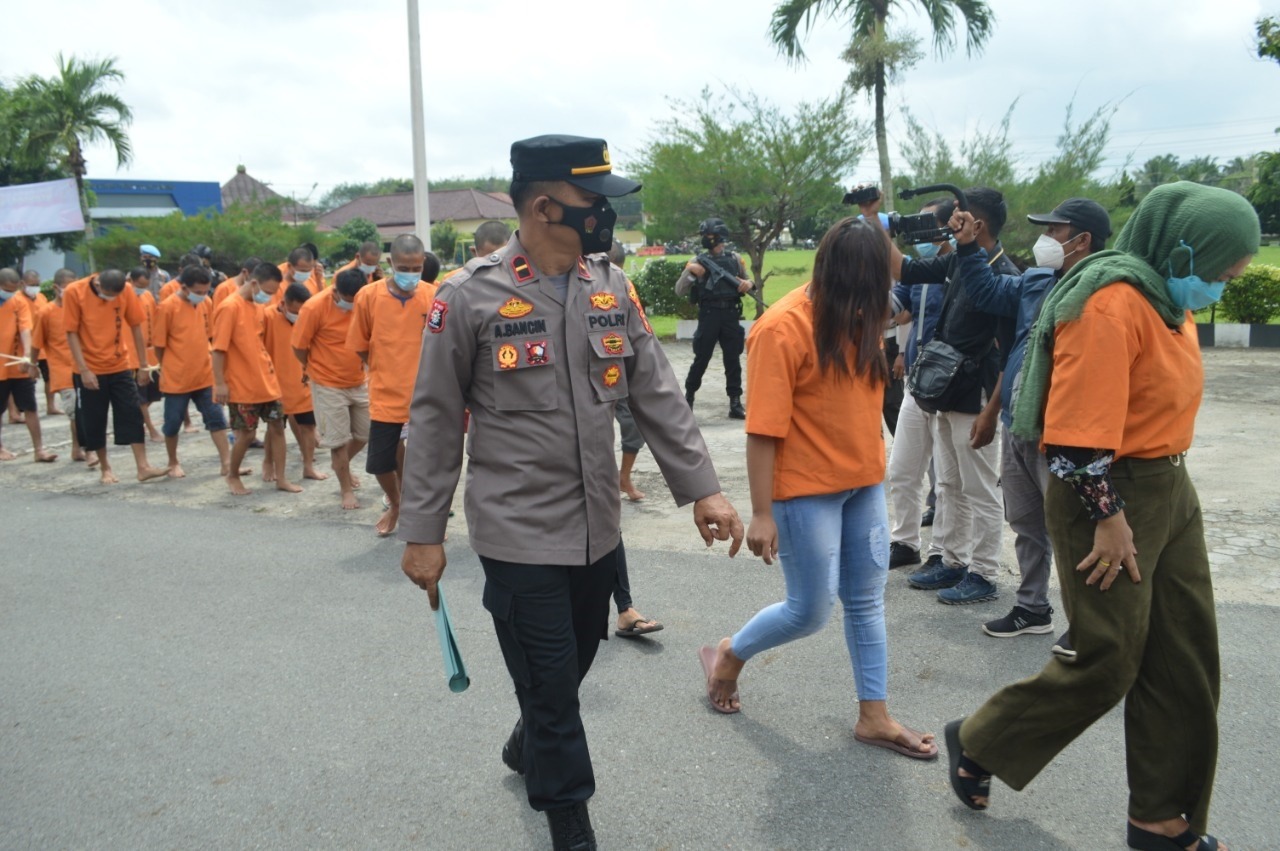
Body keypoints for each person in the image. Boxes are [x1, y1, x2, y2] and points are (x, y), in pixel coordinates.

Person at [398, 134, 744, 851]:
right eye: (597, 203)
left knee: (573, 661)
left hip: (598, 527)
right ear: (547, 205)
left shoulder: (609, 285)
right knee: (557, 690)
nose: (607, 216)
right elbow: (433, 417)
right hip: (517, 531)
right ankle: (570, 821)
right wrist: (422, 530)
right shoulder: (468, 297)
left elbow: (653, 391)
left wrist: (701, 488)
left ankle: (530, 738)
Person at [946, 181, 1258, 851]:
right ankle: (980, 738)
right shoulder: (1109, 303)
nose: (1224, 284)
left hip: (1169, 485)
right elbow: (1078, 435)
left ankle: (1162, 818)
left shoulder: (1166, 298)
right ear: (1183, 249)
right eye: (1221, 270)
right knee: (1110, 655)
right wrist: (1108, 516)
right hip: (1104, 492)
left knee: (1186, 653)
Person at [699, 217, 936, 762]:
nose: (868, 306)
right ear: (833, 279)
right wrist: (762, 513)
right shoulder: (782, 329)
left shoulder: (868, 312)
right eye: (859, 293)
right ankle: (732, 653)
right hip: (804, 491)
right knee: (809, 611)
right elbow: (762, 431)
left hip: (863, 485)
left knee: (866, 600)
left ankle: (874, 716)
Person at [948, 198, 1112, 651]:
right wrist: (966, 248)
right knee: (1026, 523)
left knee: (1070, 528)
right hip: (1019, 422)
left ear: (1083, 240)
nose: (1045, 239)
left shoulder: (1102, 292)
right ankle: (1033, 607)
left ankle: (1090, 623)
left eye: (1054, 231)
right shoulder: (1036, 280)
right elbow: (984, 293)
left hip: (1062, 433)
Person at [891, 188, 1019, 605]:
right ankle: (953, 560)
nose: (945, 227)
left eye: (956, 219)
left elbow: (1009, 355)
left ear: (976, 224)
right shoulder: (962, 261)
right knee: (948, 483)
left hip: (976, 398)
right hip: (945, 393)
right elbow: (906, 271)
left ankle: (983, 572)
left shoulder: (1006, 277)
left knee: (980, 487)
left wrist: (991, 411)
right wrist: (875, 224)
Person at [347, 234, 435, 536]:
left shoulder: (433, 296)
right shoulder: (368, 296)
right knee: (380, 462)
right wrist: (384, 366)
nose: (410, 274)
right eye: (403, 267)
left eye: (416, 267)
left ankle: (423, 519)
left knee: (426, 465)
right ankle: (397, 504)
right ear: (390, 263)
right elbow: (360, 345)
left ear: (423, 264)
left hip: (426, 396)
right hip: (385, 393)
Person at [886, 199, 954, 570]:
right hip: (917, 379)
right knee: (902, 469)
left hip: (949, 384)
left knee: (946, 478)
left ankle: (941, 551)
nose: (919, 230)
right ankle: (905, 542)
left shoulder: (958, 265)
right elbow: (900, 305)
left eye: (926, 223)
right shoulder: (920, 269)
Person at [63, 269, 168, 484]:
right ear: (98, 284)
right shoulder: (75, 292)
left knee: (132, 413)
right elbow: (71, 332)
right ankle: (106, 468)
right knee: (95, 419)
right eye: (108, 295)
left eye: (115, 296)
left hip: (120, 364)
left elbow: (136, 326)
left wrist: (143, 365)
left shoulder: (126, 290)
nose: (111, 299)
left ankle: (143, 467)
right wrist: (83, 370)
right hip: (89, 369)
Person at [212, 263, 299, 496]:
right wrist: (220, 383)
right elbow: (218, 350)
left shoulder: (258, 307)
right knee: (247, 434)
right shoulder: (229, 307)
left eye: (273, 293)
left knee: (278, 428)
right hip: (241, 384)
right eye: (267, 291)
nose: (269, 297)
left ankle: (281, 478)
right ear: (253, 283)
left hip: (266, 381)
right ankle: (233, 475)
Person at [292, 268, 369, 510]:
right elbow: (298, 346)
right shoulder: (314, 307)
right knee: (337, 441)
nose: (351, 305)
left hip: (359, 380)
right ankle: (346, 489)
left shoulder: (366, 302)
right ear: (335, 291)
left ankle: (341, 466)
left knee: (366, 433)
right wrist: (310, 367)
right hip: (327, 383)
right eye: (347, 300)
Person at [152, 265, 234, 478]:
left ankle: (227, 463)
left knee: (216, 419)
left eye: (206, 291)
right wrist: (168, 366)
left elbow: (209, 336)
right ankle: (173, 462)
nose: (202, 295)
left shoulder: (206, 303)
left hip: (204, 374)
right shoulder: (168, 307)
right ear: (184, 287)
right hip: (177, 378)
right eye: (198, 292)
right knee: (172, 422)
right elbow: (159, 345)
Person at [676, 217, 754, 418]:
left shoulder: (735, 258)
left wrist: (749, 284)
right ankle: (689, 398)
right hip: (709, 315)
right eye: (706, 237)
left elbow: (747, 281)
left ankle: (735, 403)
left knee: (733, 360)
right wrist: (690, 272)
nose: (709, 240)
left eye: (711, 237)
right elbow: (679, 290)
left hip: (730, 314)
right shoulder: (697, 261)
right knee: (701, 358)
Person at [262, 283, 326, 482]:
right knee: (275, 427)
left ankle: (308, 466)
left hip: (303, 381)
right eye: (294, 311)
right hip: (275, 384)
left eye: (302, 311)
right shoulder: (266, 317)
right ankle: (268, 462)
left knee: (308, 426)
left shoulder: (310, 317)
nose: (298, 315)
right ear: (283, 303)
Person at [0, 268, 56, 462]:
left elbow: (25, 329)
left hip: (18, 365)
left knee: (30, 406)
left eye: (13, 289)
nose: (10, 292)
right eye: (7, 289)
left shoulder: (18, 302)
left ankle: (39, 450)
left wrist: (27, 357)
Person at [31, 270, 83, 461]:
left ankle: (79, 448)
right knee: (75, 413)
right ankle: (83, 449)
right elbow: (36, 342)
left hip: (83, 368)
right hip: (62, 370)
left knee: (84, 411)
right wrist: (31, 364)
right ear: (56, 288)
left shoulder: (79, 309)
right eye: (68, 288)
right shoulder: (45, 312)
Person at [126, 267, 165, 442]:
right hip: (133, 356)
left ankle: (139, 419)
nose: (141, 288)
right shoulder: (124, 298)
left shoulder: (148, 296)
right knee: (140, 396)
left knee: (152, 394)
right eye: (139, 285)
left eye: (145, 285)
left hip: (150, 355)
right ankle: (151, 429)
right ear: (131, 281)